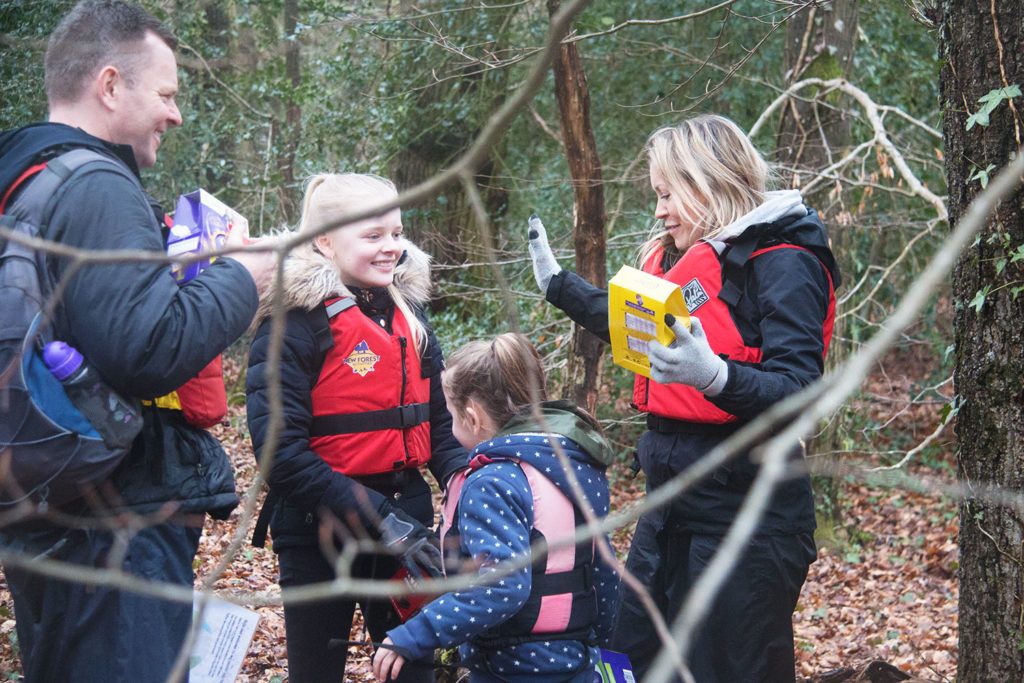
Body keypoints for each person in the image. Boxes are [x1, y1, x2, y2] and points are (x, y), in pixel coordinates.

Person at [0, 1, 275, 681]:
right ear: (111, 85)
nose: (175, 114)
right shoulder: (96, 183)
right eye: (166, 93)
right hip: (115, 529)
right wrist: (245, 278)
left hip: (55, 507)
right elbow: (146, 351)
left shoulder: (29, 182)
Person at [527, 114, 840, 682]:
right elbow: (631, 327)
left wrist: (716, 378)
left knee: (730, 669)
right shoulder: (682, 258)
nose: (659, 210)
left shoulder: (784, 261)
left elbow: (798, 392)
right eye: (657, 195)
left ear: (709, 182)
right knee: (632, 661)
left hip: (748, 514)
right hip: (669, 505)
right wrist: (559, 286)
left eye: (668, 195)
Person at [245, 172, 468, 683]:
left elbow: (438, 427)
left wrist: (466, 483)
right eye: (372, 236)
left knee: (414, 671)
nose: (391, 248)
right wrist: (380, 518)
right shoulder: (293, 324)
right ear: (324, 240)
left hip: (405, 525)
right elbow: (281, 457)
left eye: (395, 233)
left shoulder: (409, 317)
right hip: (317, 531)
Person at [372, 332, 621, 683]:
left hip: (511, 669)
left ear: (472, 417)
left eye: (450, 414)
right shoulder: (571, 465)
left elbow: (502, 587)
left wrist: (414, 635)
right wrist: (602, 648)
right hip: (575, 664)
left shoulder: (491, 483)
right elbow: (606, 574)